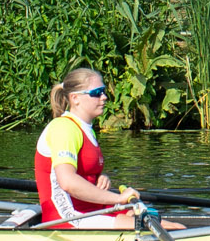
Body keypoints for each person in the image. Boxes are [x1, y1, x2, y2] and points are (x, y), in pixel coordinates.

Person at [35, 67, 178, 231]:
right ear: (75, 98)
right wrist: (118, 198)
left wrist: (99, 177)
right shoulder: (63, 128)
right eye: (96, 93)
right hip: (68, 219)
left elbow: (81, 171)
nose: (104, 97)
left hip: (92, 210)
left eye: (103, 91)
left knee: (174, 226)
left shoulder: (86, 129)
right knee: (173, 230)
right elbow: (68, 183)